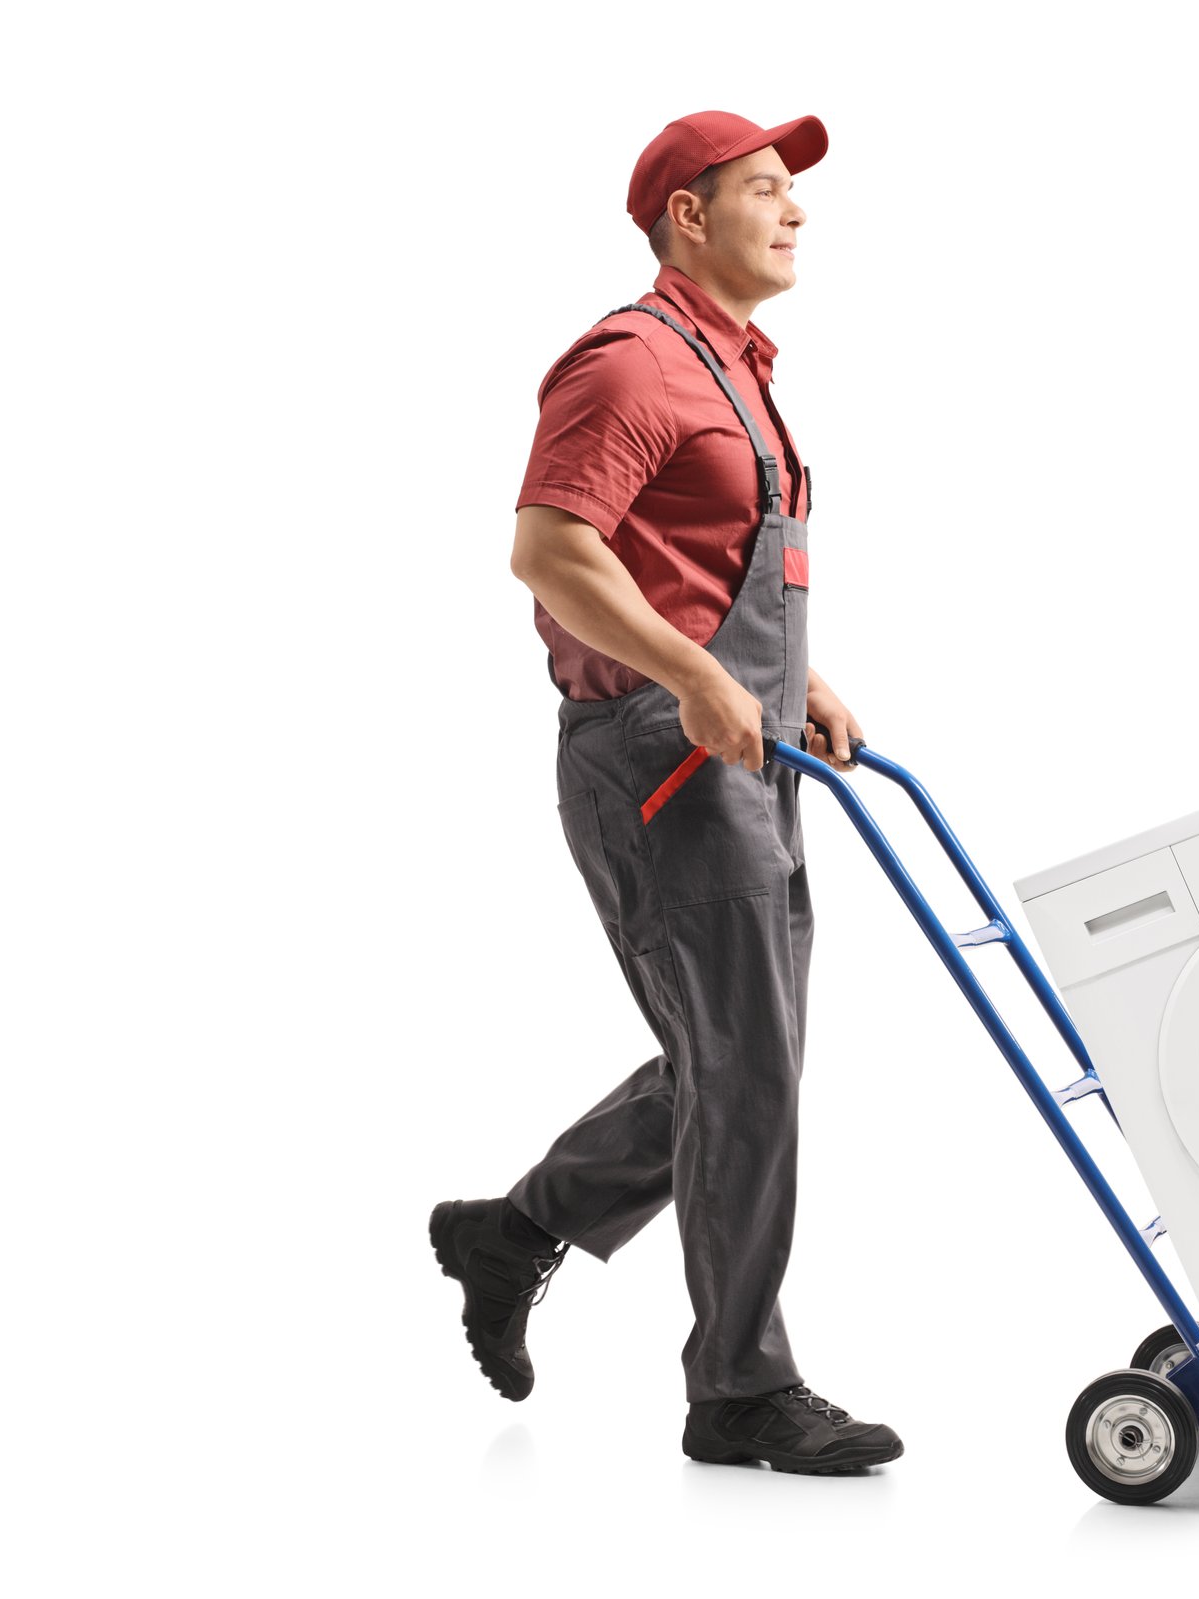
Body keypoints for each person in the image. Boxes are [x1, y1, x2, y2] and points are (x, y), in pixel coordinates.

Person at [429, 109, 901, 1476]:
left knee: (745, 1057)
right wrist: (699, 676)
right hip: (660, 755)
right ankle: (740, 1388)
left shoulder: (739, 372)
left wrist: (793, 672)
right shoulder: (630, 362)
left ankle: (514, 1230)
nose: (795, 211)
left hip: (737, 738)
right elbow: (553, 552)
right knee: (745, 1061)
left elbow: (700, 560)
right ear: (685, 216)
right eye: (764, 189)